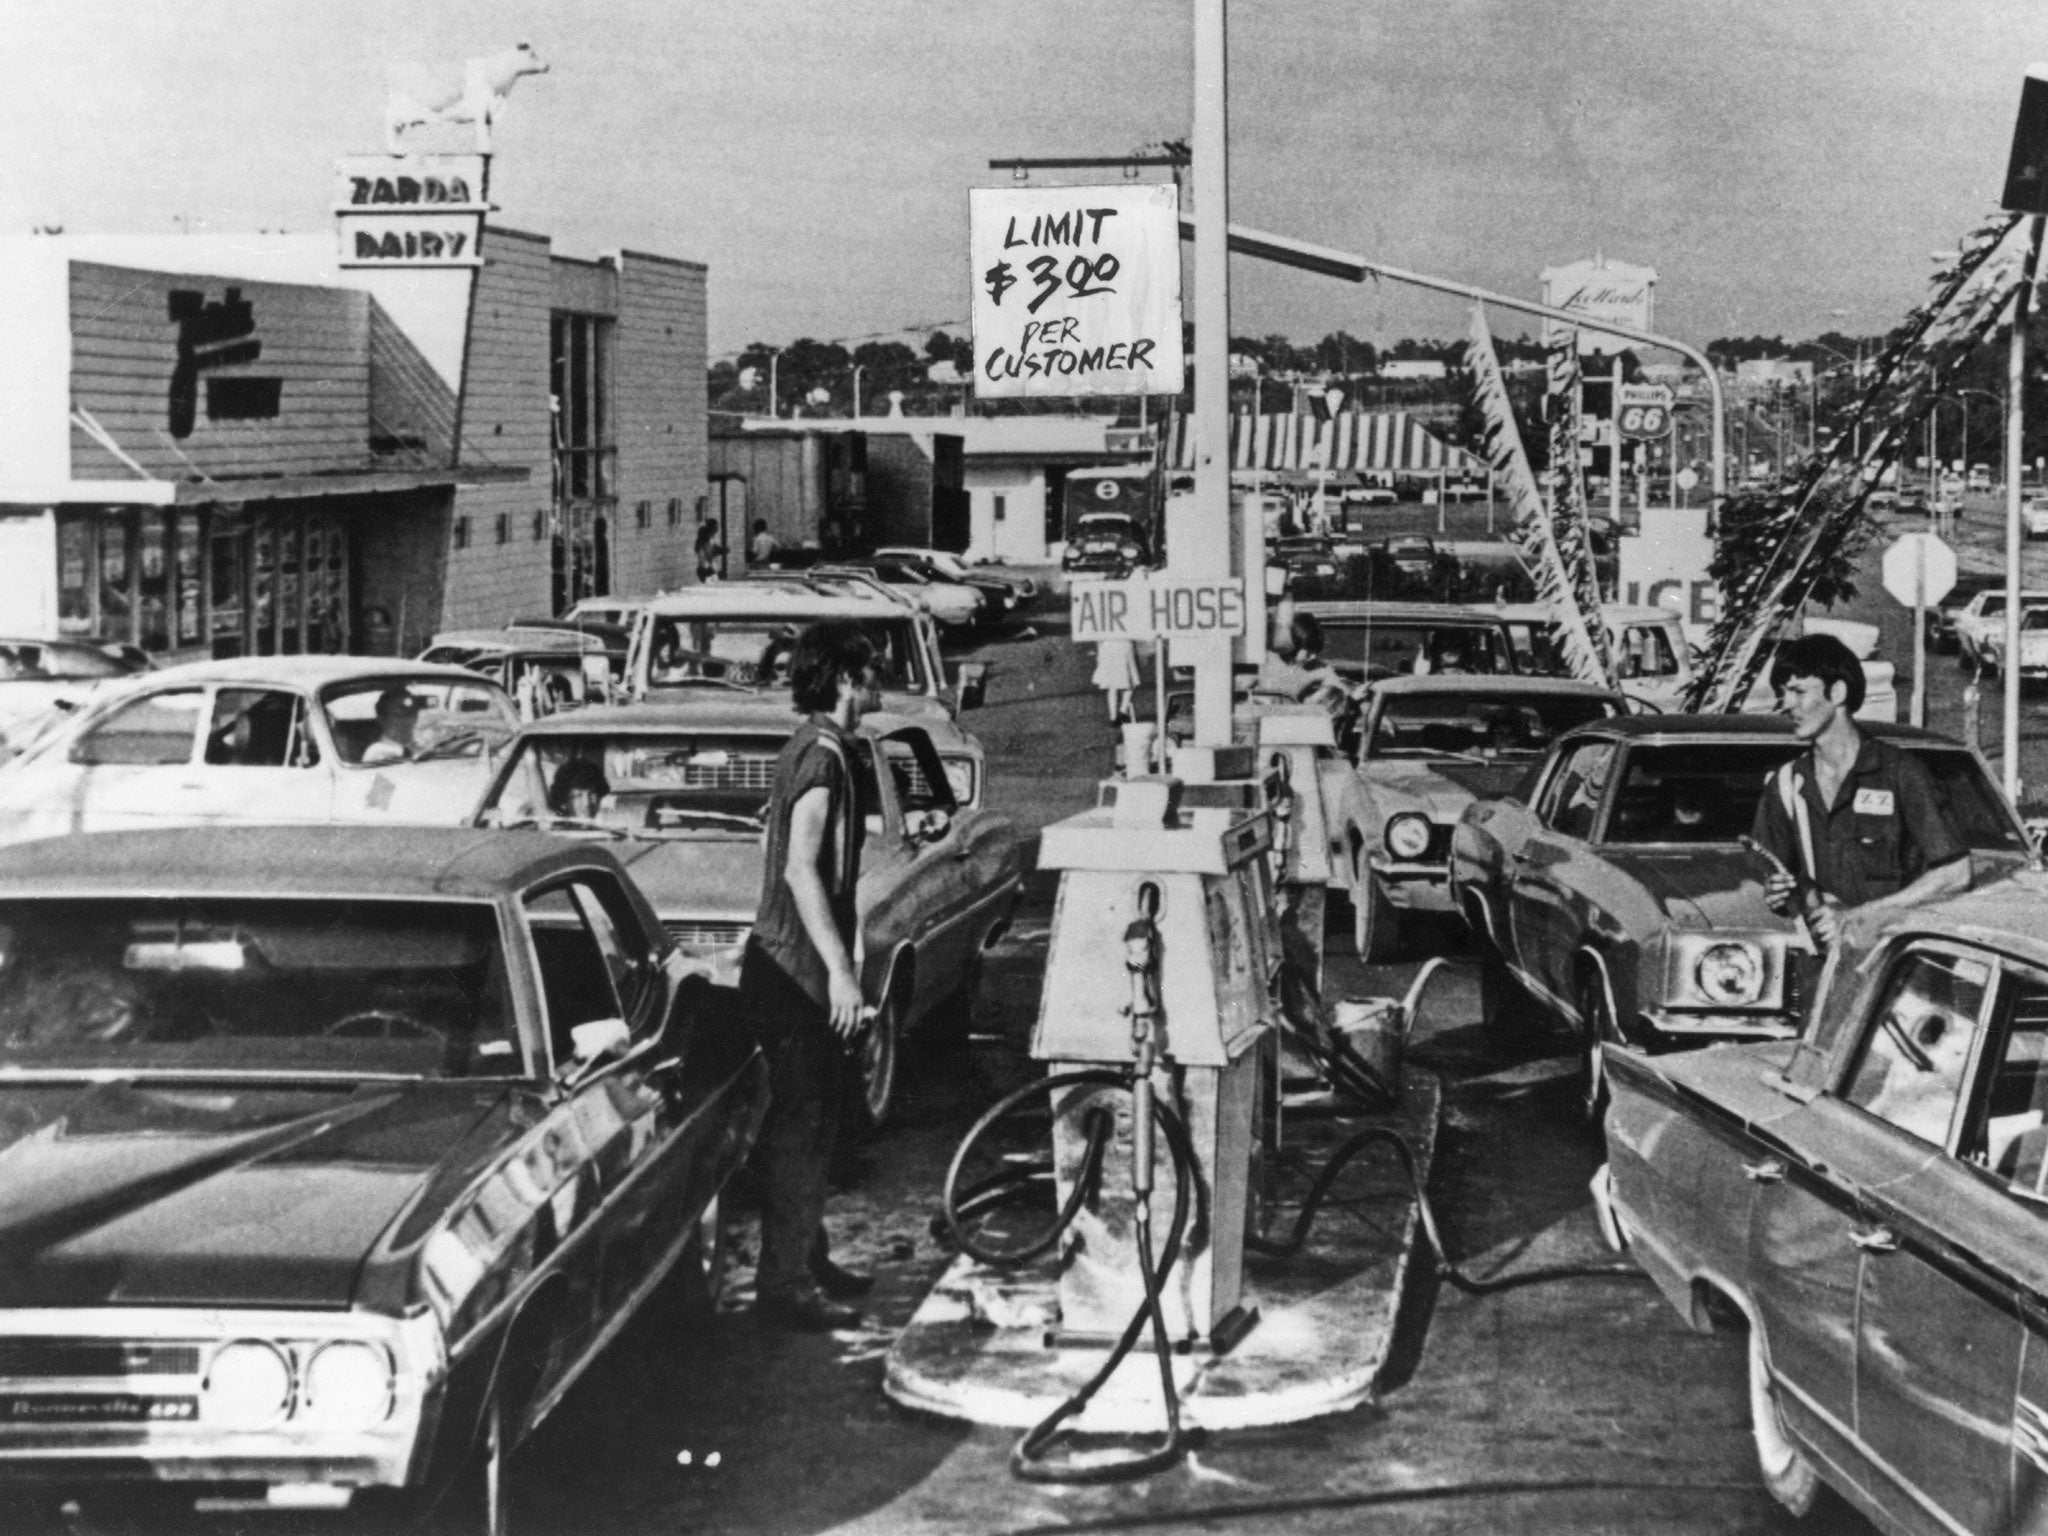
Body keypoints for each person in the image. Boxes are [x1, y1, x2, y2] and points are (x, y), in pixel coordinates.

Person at [741, 619, 878, 1331]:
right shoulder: (823, 760)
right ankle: (784, 1284)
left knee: (818, 1122)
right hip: (791, 974)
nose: (879, 682)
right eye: (871, 670)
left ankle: (806, 1257)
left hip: (792, 970)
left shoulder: (815, 747)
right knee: (800, 1128)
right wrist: (842, 975)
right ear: (847, 680)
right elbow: (801, 869)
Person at [1751, 633, 1970, 950]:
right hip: (1824, 968)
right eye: (1783, 693)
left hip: (1894, 962)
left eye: (1798, 691)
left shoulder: (1901, 773)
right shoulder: (1786, 784)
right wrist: (1780, 893)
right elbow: (1783, 881)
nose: (1787, 705)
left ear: (1838, 692)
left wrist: (1863, 915)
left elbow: (1956, 874)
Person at [1257, 612, 1343, 708]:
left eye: (1315, 652)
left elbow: (1339, 688)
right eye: (1309, 652)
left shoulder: (1314, 668)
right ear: (1294, 645)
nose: (1313, 656)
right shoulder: (1266, 660)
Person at [360, 687, 424, 764]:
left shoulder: (419, 747)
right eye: (398, 716)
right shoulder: (376, 751)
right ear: (382, 719)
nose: (406, 721)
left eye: (410, 714)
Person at [1092, 636, 1141, 723]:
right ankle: (1122, 711)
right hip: (1123, 645)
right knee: (1130, 682)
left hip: (1107, 646)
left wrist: (1099, 651)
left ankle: (1114, 716)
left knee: (1112, 685)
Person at [696, 518, 725, 583]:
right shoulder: (706, 537)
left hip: (708, 561)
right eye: (716, 526)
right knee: (710, 574)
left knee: (714, 575)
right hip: (705, 563)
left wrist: (720, 550)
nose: (717, 528)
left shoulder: (711, 536)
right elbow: (708, 550)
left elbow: (713, 547)